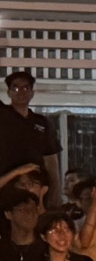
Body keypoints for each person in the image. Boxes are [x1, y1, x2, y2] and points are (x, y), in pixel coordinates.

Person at [0, 69, 59, 197]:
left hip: (35, 188)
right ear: (8, 93)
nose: (20, 92)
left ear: (32, 93)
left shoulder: (41, 122)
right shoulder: (2, 114)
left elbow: (51, 159)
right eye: (15, 88)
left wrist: (55, 193)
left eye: (25, 88)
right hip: (5, 185)